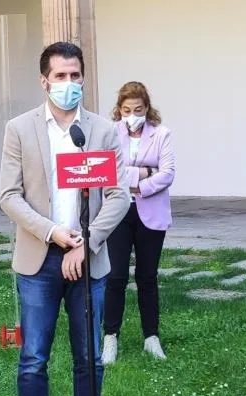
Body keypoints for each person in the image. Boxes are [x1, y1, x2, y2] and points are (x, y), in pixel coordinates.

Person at [0, 42, 129, 396]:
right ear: (45, 81)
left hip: (87, 260)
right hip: (39, 260)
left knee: (89, 357)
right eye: (60, 77)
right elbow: (9, 196)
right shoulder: (20, 129)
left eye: (76, 76)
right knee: (34, 357)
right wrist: (52, 232)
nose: (69, 84)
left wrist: (83, 243)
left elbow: (118, 195)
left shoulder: (102, 131)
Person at [101, 82, 176, 364]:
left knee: (147, 277)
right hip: (117, 212)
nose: (132, 114)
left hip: (150, 213)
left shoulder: (162, 134)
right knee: (115, 276)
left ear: (147, 108)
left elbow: (167, 174)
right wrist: (145, 172)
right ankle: (111, 337)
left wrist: (135, 185)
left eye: (138, 109)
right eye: (126, 110)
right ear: (119, 110)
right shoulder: (109, 133)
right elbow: (106, 170)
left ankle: (151, 337)